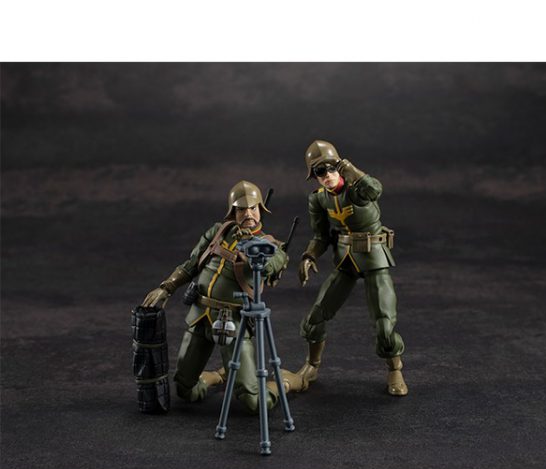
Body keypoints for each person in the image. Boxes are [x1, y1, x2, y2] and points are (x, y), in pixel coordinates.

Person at [142, 180, 289, 413]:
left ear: (261, 209)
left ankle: (286, 382)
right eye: (241, 209)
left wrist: (255, 253)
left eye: (253, 208)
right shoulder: (217, 232)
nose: (248, 214)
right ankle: (220, 376)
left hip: (234, 323)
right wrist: (167, 287)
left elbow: (272, 265)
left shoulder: (270, 246)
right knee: (184, 389)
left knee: (254, 402)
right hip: (200, 316)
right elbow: (191, 264)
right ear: (233, 211)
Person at [289, 140, 407, 396]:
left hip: (374, 259)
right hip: (345, 261)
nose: (327, 175)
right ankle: (312, 366)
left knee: (384, 324)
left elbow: (375, 190)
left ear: (340, 167)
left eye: (331, 168)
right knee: (315, 317)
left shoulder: (357, 190)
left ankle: (395, 368)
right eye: (320, 172)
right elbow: (320, 236)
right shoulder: (319, 199)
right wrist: (309, 256)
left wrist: (352, 170)